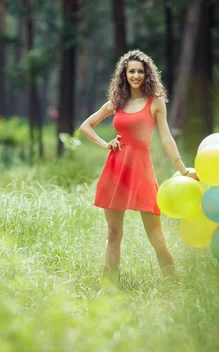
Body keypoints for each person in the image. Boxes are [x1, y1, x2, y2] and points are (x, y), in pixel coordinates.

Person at [79, 50, 199, 285]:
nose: (136, 75)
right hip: (115, 170)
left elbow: (166, 139)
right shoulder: (117, 102)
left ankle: (173, 285)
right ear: (124, 74)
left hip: (142, 172)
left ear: (147, 75)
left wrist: (184, 170)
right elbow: (86, 126)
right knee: (113, 234)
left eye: (140, 71)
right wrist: (105, 144)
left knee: (155, 235)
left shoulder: (155, 103)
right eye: (131, 71)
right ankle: (109, 288)